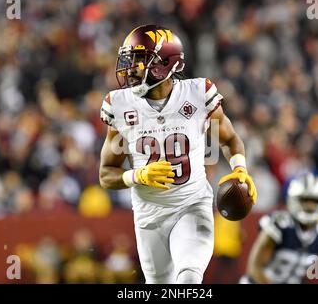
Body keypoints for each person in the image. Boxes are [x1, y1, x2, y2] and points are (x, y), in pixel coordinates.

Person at [99, 24, 257, 284]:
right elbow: (106, 175)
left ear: (165, 62)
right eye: (130, 61)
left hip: (191, 204)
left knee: (188, 279)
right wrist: (138, 175)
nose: (131, 69)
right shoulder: (119, 105)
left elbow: (228, 138)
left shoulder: (197, 94)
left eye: (140, 61)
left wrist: (240, 168)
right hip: (149, 214)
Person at [241, 173, 318, 284]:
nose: (310, 206)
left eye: (314, 201)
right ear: (293, 200)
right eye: (305, 200)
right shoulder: (280, 225)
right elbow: (255, 269)